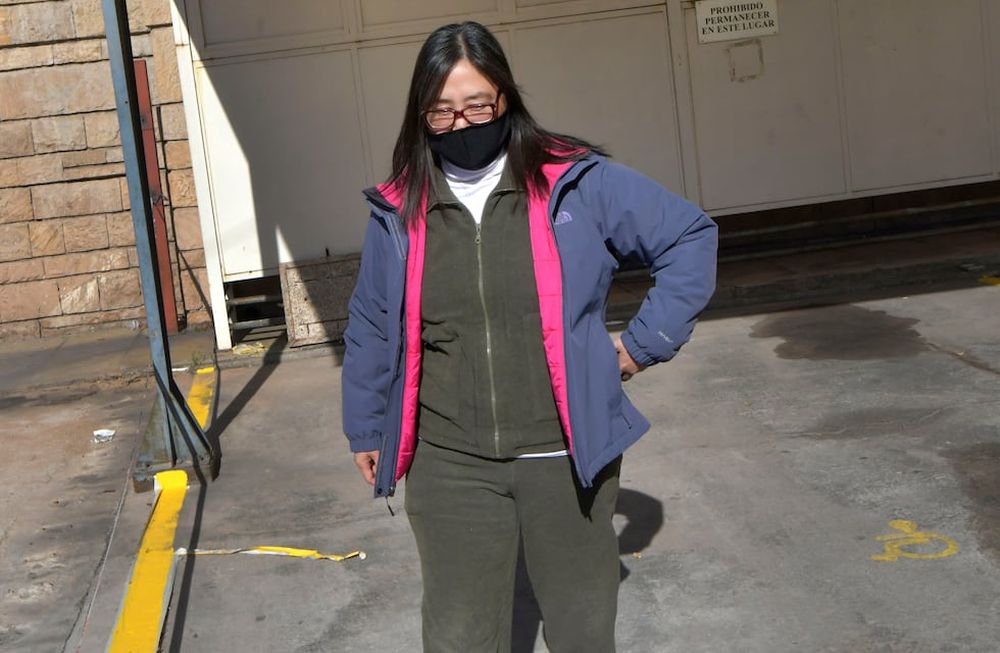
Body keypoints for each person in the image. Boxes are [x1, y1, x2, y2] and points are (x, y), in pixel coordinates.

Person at [342, 21, 717, 653]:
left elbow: (689, 236)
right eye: (442, 111)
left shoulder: (574, 183)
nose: (461, 124)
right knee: (459, 637)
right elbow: (373, 321)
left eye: (477, 106)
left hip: (565, 455)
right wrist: (364, 425)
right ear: (421, 116)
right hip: (450, 461)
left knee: (581, 632)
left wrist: (640, 345)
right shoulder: (401, 209)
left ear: (505, 98)